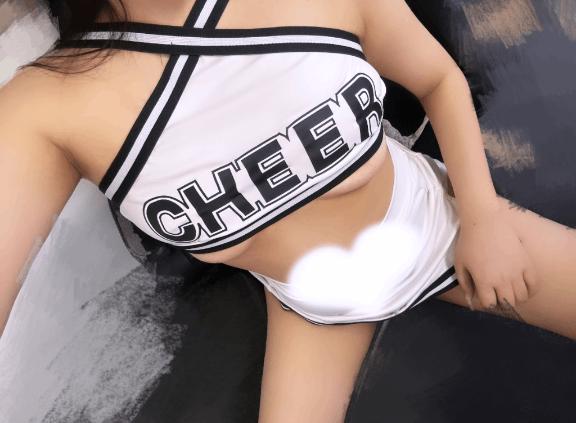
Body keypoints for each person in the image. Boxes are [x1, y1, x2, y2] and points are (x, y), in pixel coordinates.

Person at [0, 0, 574, 421]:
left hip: (435, 222)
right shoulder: (44, 110)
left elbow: (438, 78)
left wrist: (482, 218)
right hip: (310, 305)